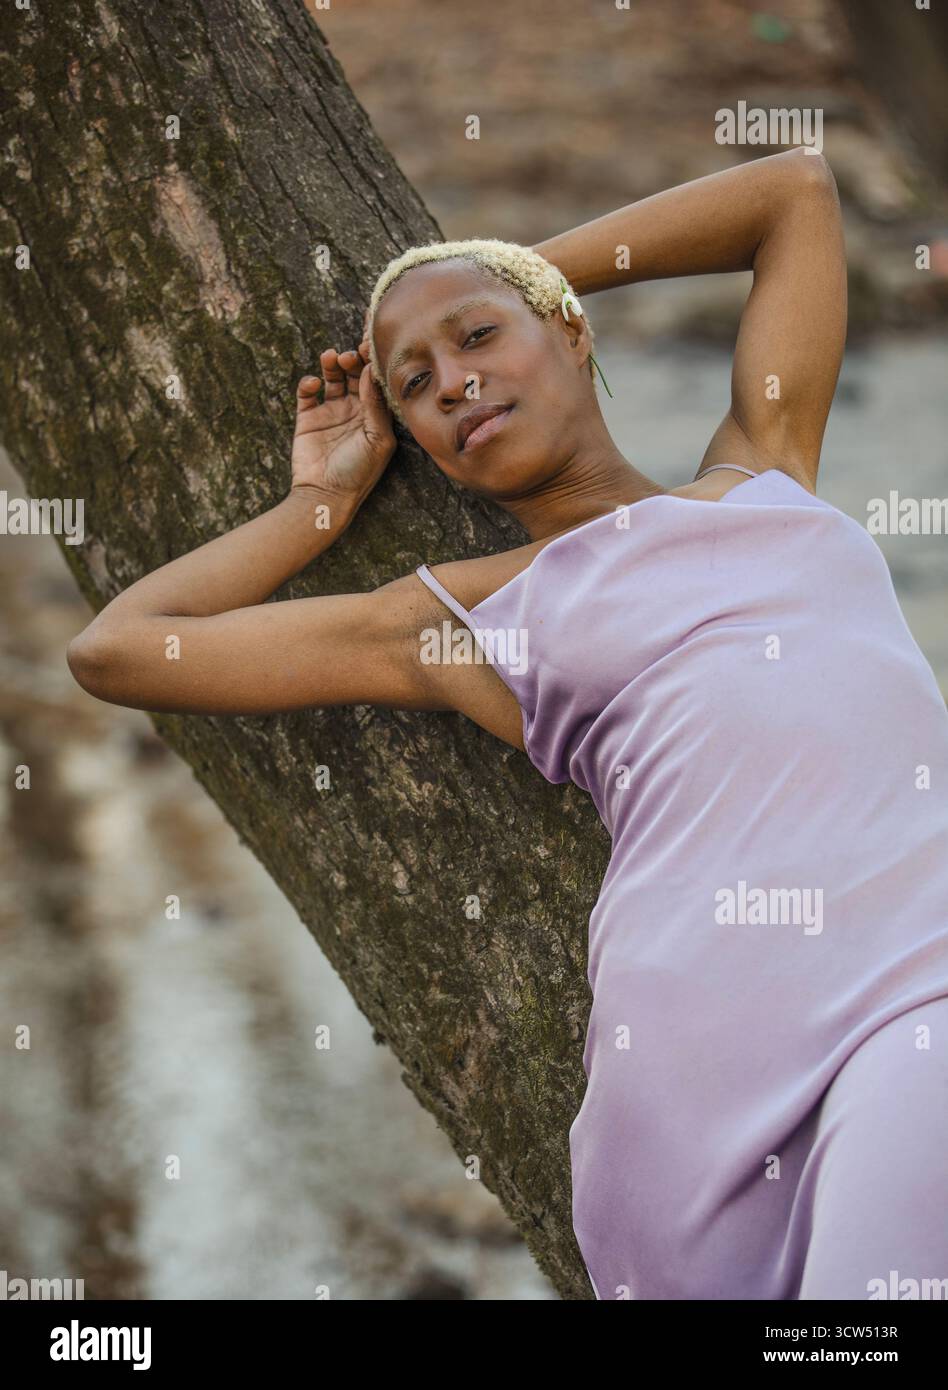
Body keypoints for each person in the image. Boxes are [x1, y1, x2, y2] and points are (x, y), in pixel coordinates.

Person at [66, 148, 948, 1300]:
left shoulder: (768, 469)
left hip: (915, 990)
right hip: (696, 1072)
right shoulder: (465, 616)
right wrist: (319, 503)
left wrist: (525, 270)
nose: (454, 383)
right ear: (417, 442)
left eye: (481, 338)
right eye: (416, 383)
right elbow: (119, 648)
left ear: (569, 333)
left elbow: (795, 194)